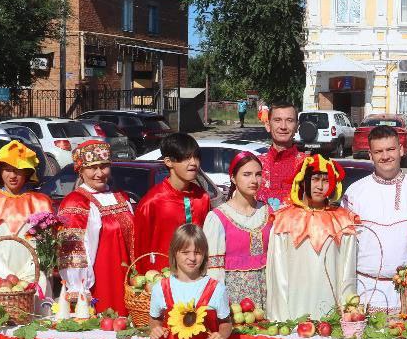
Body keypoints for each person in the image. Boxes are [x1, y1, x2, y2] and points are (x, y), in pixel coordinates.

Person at [343, 126, 407, 310]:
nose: (385, 156)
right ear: (370, 155)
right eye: (378, 151)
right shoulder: (354, 193)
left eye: (390, 149)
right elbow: (345, 246)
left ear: (401, 149)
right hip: (364, 291)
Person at [265, 155, 359, 321]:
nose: (320, 186)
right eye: (315, 179)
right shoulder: (285, 221)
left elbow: (348, 271)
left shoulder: (343, 221)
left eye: (326, 180)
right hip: (293, 312)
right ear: (302, 181)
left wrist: (348, 312)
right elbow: (278, 274)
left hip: (331, 312)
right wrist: (280, 318)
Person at [57, 140, 135, 315]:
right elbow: (72, 253)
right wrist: (79, 287)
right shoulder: (76, 202)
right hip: (100, 286)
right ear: (80, 170)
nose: (100, 173)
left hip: (128, 281)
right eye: (92, 167)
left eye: (104, 166)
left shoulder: (121, 196)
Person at [0, 140, 53, 289]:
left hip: (34, 279)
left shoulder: (41, 204)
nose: (12, 175)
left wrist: (30, 277)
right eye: (7, 169)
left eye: (18, 169)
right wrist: (5, 281)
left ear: (27, 172)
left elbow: (45, 247)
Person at [203, 152, 272, 310]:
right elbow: (214, 269)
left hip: (268, 295)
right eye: (246, 175)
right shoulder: (218, 217)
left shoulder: (267, 212)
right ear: (233, 178)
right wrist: (218, 308)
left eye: (258, 174)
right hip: (235, 300)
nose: (254, 180)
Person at [134, 133, 211, 271]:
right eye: (186, 158)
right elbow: (139, 249)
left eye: (196, 157)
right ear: (168, 161)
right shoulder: (153, 202)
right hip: (161, 280)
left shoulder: (202, 197)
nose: (193, 162)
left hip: (197, 276)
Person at [255, 102, 305, 209]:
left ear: (297, 127)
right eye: (277, 120)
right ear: (268, 125)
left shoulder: (308, 165)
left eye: (289, 120)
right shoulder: (255, 165)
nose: (283, 127)